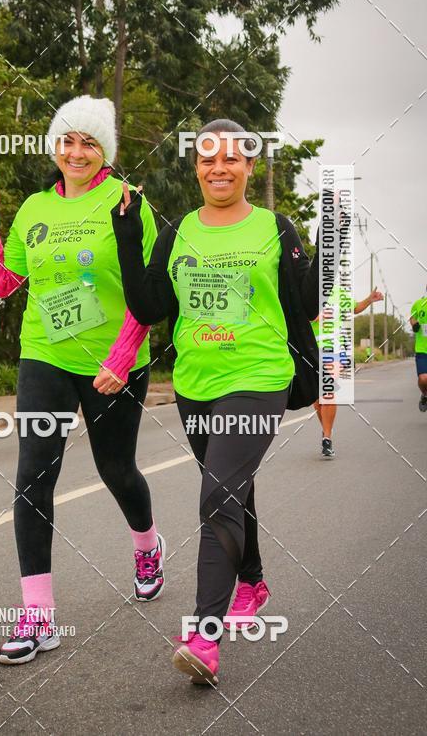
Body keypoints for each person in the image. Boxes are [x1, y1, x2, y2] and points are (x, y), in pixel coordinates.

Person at [111, 118, 321, 686]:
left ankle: (204, 636)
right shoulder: (179, 230)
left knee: (217, 494)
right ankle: (250, 580)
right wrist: (129, 238)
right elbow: (151, 305)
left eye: (232, 158)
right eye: (208, 159)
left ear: (250, 166)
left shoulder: (277, 227)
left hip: (258, 377)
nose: (219, 168)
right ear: (196, 167)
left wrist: (325, 249)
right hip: (195, 383)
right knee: (232, 489)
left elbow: (309, 302)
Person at [0, 95, 165, 666]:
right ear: (55, 146)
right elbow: (5, 283)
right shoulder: (34, 208)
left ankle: (147, 545)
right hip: (45, 355)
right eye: (67, 140)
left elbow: (147, 289)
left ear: (104, 149)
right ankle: (38, 616)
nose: (76, 152)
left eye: (88, 141)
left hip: (112, 363)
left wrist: (125, 355)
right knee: (34, 474)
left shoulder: (128, 202)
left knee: (117, 470)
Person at [312, 287, 383, 457]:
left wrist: (369, 299)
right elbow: (296, 315)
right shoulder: (308, 290)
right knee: (316, 400)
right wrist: (311, 318)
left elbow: (354, 308)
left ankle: (327, 438)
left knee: (327, 391)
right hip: (313, 348)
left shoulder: (340, 291)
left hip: (336, 349)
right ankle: (326, 431)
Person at [410, 288, 427, 411]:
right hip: (422, 349)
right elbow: (412, 317)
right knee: (423, 378)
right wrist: (414, 323)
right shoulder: (418, 304)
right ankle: (425, 394)